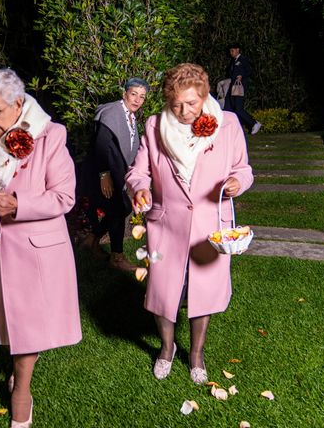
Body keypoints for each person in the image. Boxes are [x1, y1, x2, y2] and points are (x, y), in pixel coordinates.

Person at [0, 68, 82, 427]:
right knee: (3, 319)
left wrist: (20, 205)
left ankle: (21, 388)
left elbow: (64, 196)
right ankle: (14, 372)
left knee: (28, 324)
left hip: (35, 249)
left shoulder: (50, 136)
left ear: (18, 104)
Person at [125, 63, 253, 384]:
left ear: (205, 96)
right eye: (176, 104)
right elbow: (138, 172)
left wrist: (238, 181)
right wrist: (139, 187)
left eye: (192, 103)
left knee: (204, 291)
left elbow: (243, 168)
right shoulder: (155, 127)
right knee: (162, 291)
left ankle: (196, 353)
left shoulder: (228, 124)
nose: (184, 111)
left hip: (210, 225)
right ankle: (167, 348)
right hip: (166, 225)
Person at [80, 78, 150, 272]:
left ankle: (92, 239)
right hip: (102, 172)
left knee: (121, 209)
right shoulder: (112, 113)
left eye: (142, 96)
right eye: (134, 94)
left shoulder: (130, 115)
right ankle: (117, 257)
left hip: (115, 173)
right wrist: (104, 175)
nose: (137, 99)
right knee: (120, 210)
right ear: (124, 93)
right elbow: (100, 146)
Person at [223, 43, 262, 134]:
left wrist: (242, 75)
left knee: (238, 109)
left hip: (240, 87)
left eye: (232, 50)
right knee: (228, 109)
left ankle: (254, 123)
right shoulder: (233, 61)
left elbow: (250, 71)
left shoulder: (243, 60)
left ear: (238, 50)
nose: (231, 53)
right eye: (230, 51)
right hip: (232, 87)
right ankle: (230, 130)